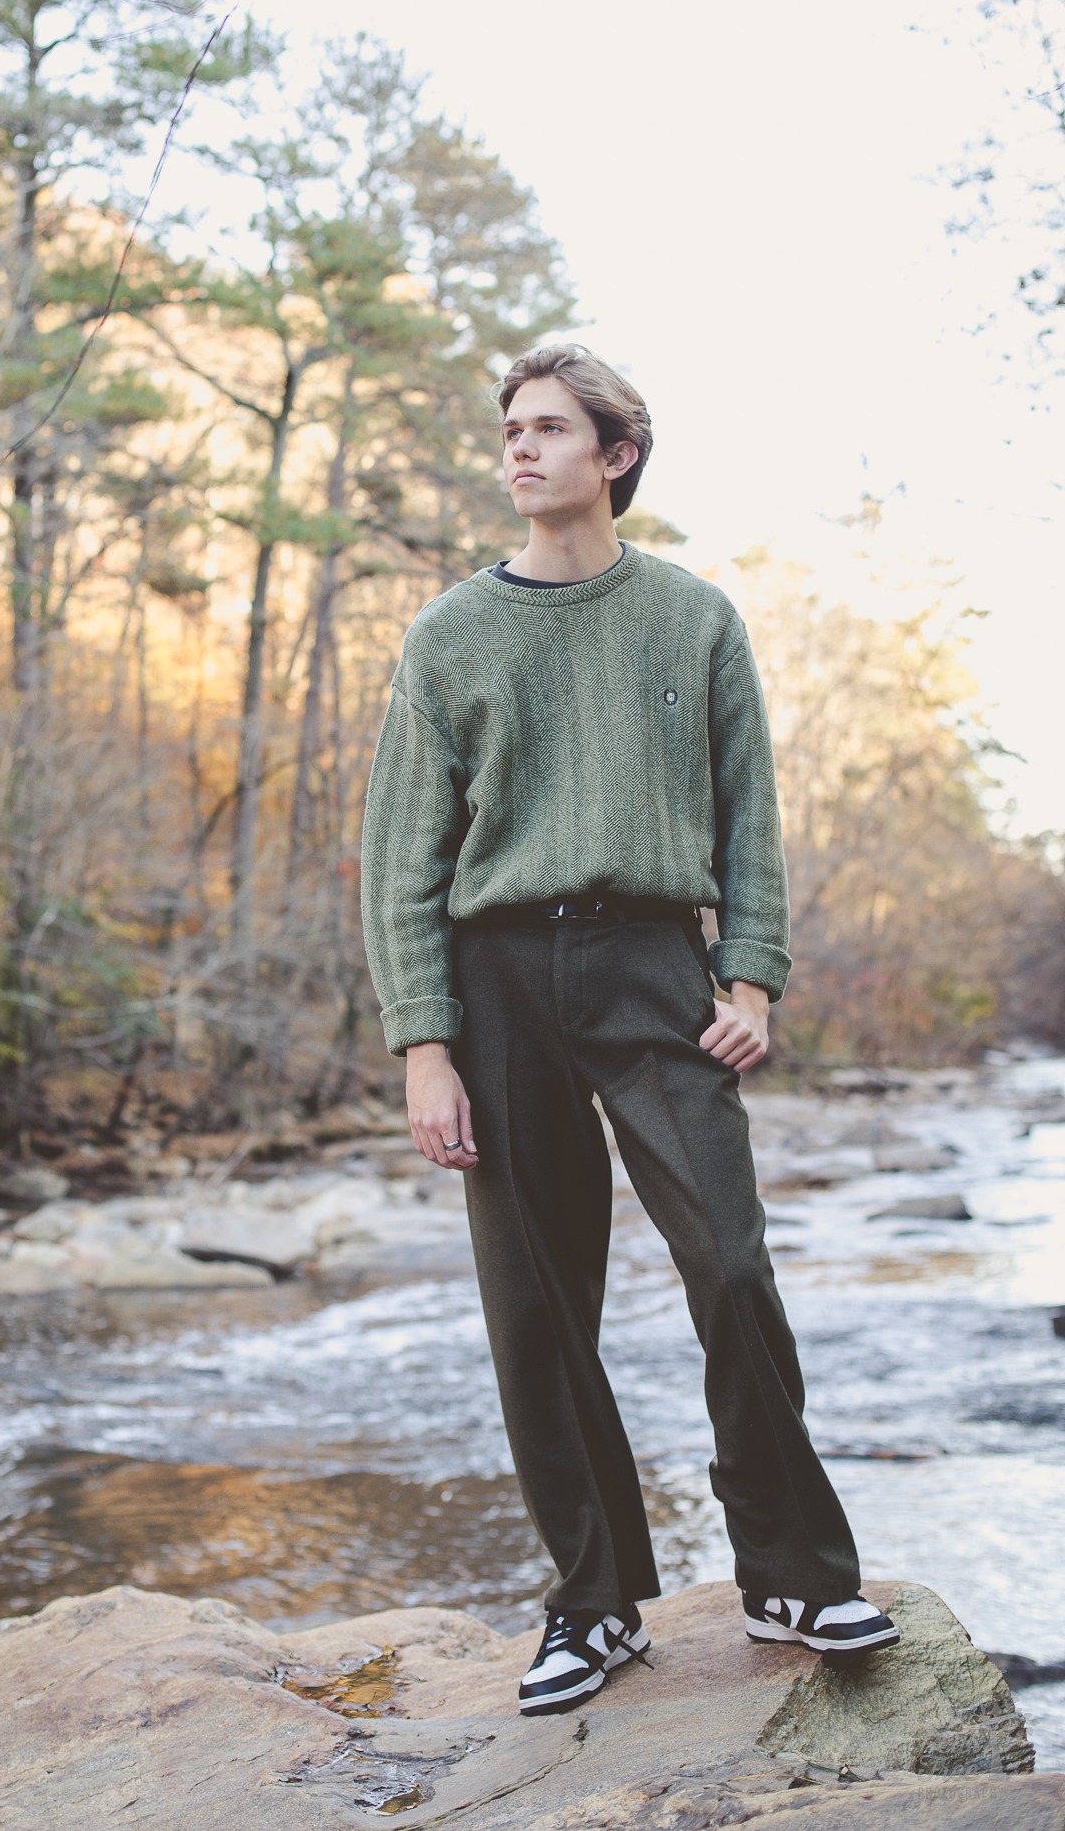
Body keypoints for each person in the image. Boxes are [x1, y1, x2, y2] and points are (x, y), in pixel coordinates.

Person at [359, 344, 898, 1718]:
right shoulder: (449, 639)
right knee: (539, 1307)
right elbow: (400, 864)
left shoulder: (694, 620)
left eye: (549, 429)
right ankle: (594, 1605)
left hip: (660, 965)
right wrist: (426, 1042)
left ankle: (788, 1570)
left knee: (727, 1261)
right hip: (498, 983)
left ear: (617, 455)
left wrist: (755, 977)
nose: (518, 450)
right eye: (509, 430)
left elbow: (748, 814)